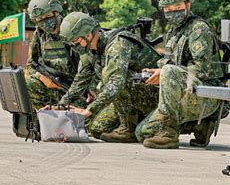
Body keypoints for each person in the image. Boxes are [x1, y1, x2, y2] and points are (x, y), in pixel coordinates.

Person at [138, 0, 226, 149]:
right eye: (168, 9)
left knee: (168, 71)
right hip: (186, 93)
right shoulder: (173, 31)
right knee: (142, 132)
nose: (173, 12)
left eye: (177, 6)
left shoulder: (198, 29)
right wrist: (159, 72)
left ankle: (169, 134)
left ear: (188, 4)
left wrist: (166, 72)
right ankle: (198, 125)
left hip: (205, 95)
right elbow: (172, 64)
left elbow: (204, 69)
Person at [59, 12, 160, 142]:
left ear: (88, 34)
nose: (74, 47)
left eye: (75, 42)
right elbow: (79, 82)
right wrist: (60, 106)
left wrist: (89, 110)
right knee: (97, 129)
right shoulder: (88, 51)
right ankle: (135, 121)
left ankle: (128, 127)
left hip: (154, 96)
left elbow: (116, 83)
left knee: (112, 77)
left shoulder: (118, 44)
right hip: (130, 98)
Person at [26, 0, 82, 109]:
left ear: (56, 12)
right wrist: (43, 78)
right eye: (39, 20)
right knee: (29, 84)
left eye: (47, 16)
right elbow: (30, 65)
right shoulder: (40, 34)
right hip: (53, 87)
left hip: (78, 89)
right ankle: (44, 120)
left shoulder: (73, 30)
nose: (44, 22)